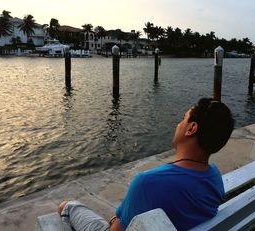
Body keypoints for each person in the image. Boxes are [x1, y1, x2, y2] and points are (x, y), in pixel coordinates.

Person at [58, 97, 234, 231]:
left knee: (67, 206)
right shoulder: (215, 178)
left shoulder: (148, 183)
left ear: (191, 129)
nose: (178, 124)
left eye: (183, 119)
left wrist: (114, 221)